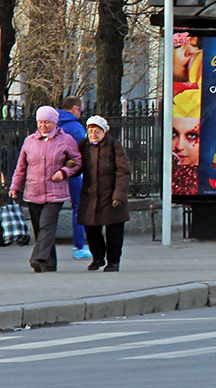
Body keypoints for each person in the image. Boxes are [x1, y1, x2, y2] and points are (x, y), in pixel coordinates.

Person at [8, 106, 82, 272]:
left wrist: (64, 172)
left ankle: (37, 257)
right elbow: (21, 167)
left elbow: (77, 161)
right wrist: (15, 187)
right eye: (40, 122)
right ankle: (49, 264)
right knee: (39, 228)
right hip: (33, 192)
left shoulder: (66, 140)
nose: (43, 125)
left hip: (56, 192)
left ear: (54, 123)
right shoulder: (30, 141)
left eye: (47, 122)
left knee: (46, 226)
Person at [77, 116, 130, 272]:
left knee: (114, 231)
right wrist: (69, 166)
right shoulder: (84, 145)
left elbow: (123, 171)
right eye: (90, 130)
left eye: (97, 131)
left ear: (104, 131)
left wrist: (119, 194)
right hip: (91, 195)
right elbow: (77, 164)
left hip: (111, 195)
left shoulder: (114, 145)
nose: (93, 133)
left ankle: (114, 261)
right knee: (91, 229)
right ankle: (98, 258)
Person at [57, 96, 91, 260]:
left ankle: (44, 246)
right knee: (79, 206)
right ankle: (79, 246)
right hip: (73, 172)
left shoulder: (52, 122)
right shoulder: (75, 127)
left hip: (52, 170)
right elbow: (84, 150)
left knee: (49, 207)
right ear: (76, 108)